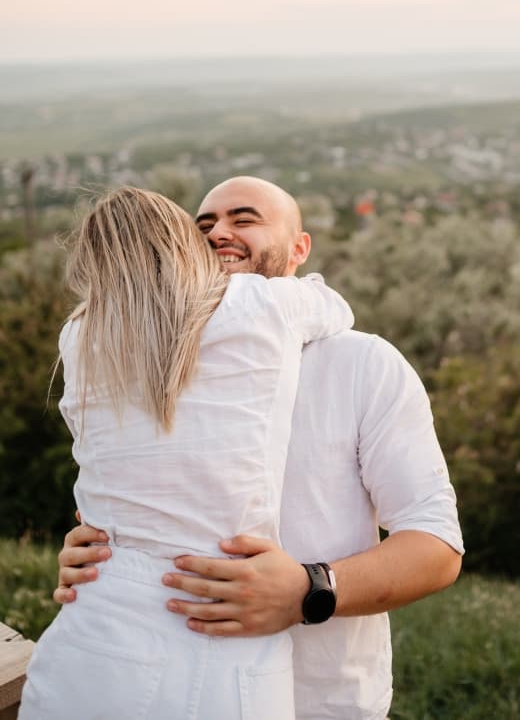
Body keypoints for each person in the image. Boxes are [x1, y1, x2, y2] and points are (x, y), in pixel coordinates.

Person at [55, 176, 464, 720]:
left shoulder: (364, 364)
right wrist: (101, 559)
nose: (219, 232)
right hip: (153, 688)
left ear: (300, 249)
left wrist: (308, 590)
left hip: (327, 704)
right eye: (202, 227)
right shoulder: (151, 362)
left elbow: (436, 546)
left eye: (244, 219)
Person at [20, 185, 353, 720]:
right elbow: (334, 306)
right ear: (184, 246)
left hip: (91, 613)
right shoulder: (262, 304)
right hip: (212, 616)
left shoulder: (78, 336)